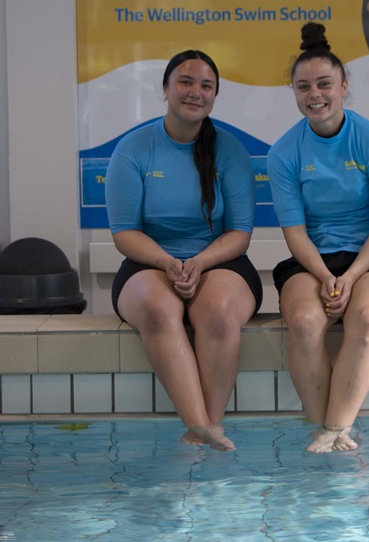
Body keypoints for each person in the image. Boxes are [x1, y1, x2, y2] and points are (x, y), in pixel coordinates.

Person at [105, 50, 262, 452]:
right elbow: (125, 233)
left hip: (220, 259)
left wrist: (198, 262)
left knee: (219, 311)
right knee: (159, 310)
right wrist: (168, 262)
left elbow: (240, 233)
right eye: (186, 82)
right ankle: (204, 428)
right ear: (165, 89)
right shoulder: (133, 149)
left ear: (214, 96)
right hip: (148, 261)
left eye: (206, 86)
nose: (196, 92)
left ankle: (205, 428)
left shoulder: (229, 151)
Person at [267, 23, 369, 453]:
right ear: (293, 92)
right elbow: (294, 233)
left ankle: (336, 429)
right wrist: (327, 275)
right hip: (312, 260)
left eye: (325, 83)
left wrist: (349, 279)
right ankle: (320, 430)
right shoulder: (283, 153)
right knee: (307, 321)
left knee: (365, 319)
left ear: (344, 87)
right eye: (303, 86)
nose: (315, 94)